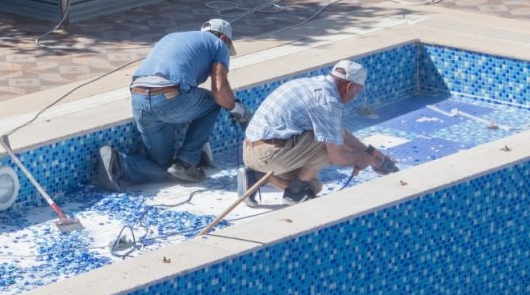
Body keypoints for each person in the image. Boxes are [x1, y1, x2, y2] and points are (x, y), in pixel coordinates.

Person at [96, 19, 251, 191]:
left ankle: (118, 163)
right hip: (168, 97)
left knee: (163, 166)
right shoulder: (219, 45)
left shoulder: (174, 38)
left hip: (139, 97)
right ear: (223, 38)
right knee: (214, 103)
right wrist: (236, 109)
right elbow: (220, 91)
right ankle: (186, 162)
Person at [240, 59, 393, 204]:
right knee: (328, 146)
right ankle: (295, 192)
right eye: (356, 92)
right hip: (267, 155)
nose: (354, 97)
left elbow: (338, 130)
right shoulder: (327, 101)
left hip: (251, 151)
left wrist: (371, 154)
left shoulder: (313, 85)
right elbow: (336, 156)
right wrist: (360, 158)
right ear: (350, 87)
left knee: (314, 186)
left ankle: (257, 176)